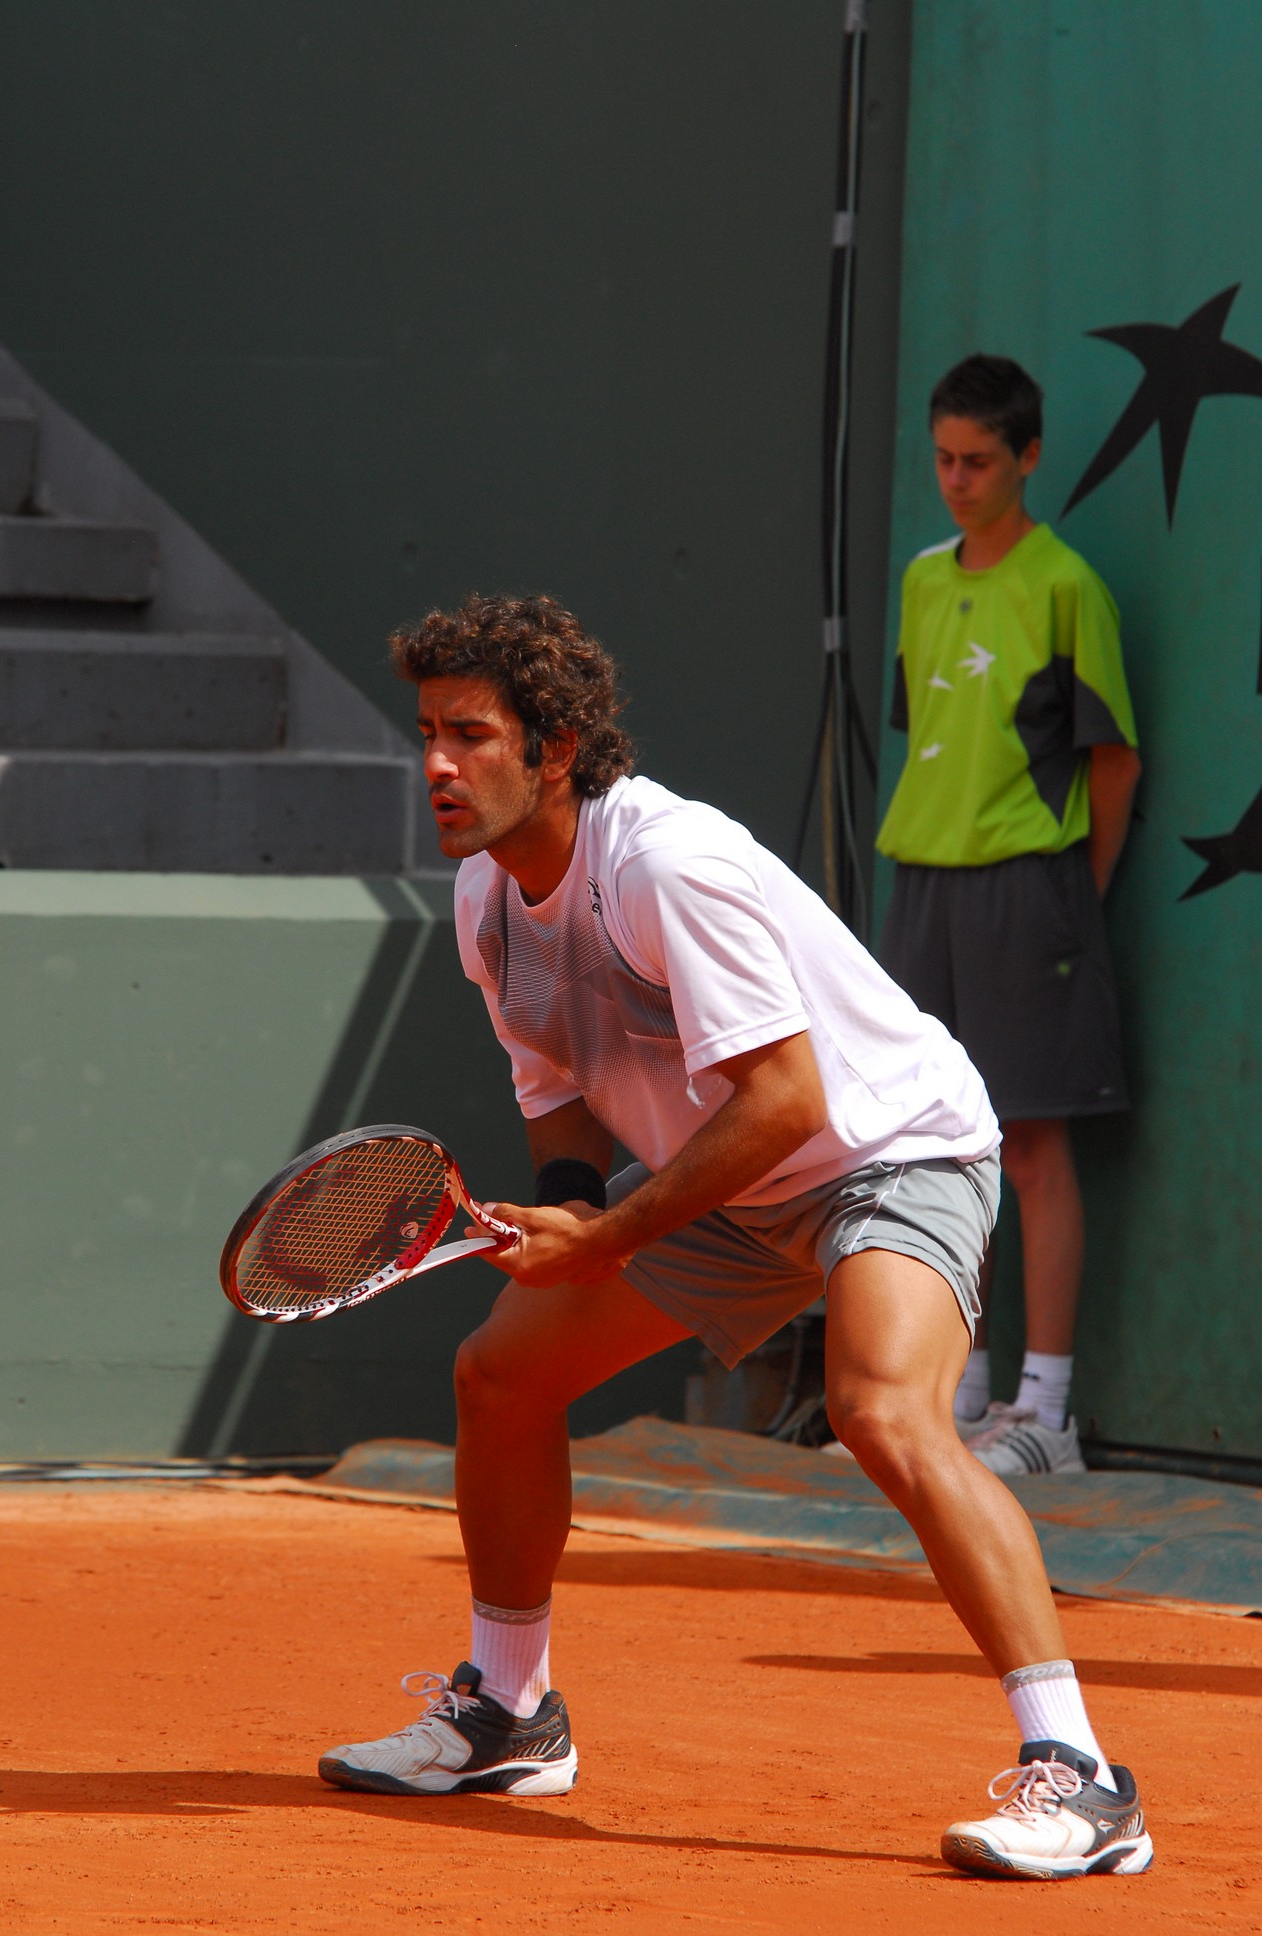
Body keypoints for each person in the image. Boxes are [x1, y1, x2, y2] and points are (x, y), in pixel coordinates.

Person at [318, 592, 1152, 1879]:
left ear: (553, 748)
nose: (436, 762)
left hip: (890, 1149)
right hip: (731, 1181)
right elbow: (560, 1090)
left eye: (469, 734)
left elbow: (789, 1100)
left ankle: (1083, 1776)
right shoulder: (488, 899)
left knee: (882, 1409)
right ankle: (508, 1712)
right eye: (427, 731)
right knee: (502, 1374)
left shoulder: (665, 865)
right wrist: (573, 1207)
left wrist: (605, 1237)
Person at [876, 355, 1142, 1480]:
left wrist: (1075, 895)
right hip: (922, 890)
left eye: (978, 461)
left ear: (1028, 458)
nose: (956, 480)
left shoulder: (1068, 584)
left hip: (1030, 890)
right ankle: (959, 1391)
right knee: (938, 1147)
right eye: (943, 459)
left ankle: (1049, 1414)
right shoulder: (920, 580)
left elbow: (1114, 761)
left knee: (1029, 1145)